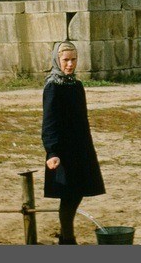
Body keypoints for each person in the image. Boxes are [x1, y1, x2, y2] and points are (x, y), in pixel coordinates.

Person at [42, 40, 105, 244]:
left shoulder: (76, 86)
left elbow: (82, 119)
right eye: (66, 60)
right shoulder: (52, 87)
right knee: (69, 195)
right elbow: (49, 123)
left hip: (80, 148)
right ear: (57, 60)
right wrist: (52, 151)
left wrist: (87, 148)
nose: (70, 64)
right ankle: (68, 239)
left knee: (77, 192)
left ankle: (65, 237)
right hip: (63, 150)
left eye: (73, 59)